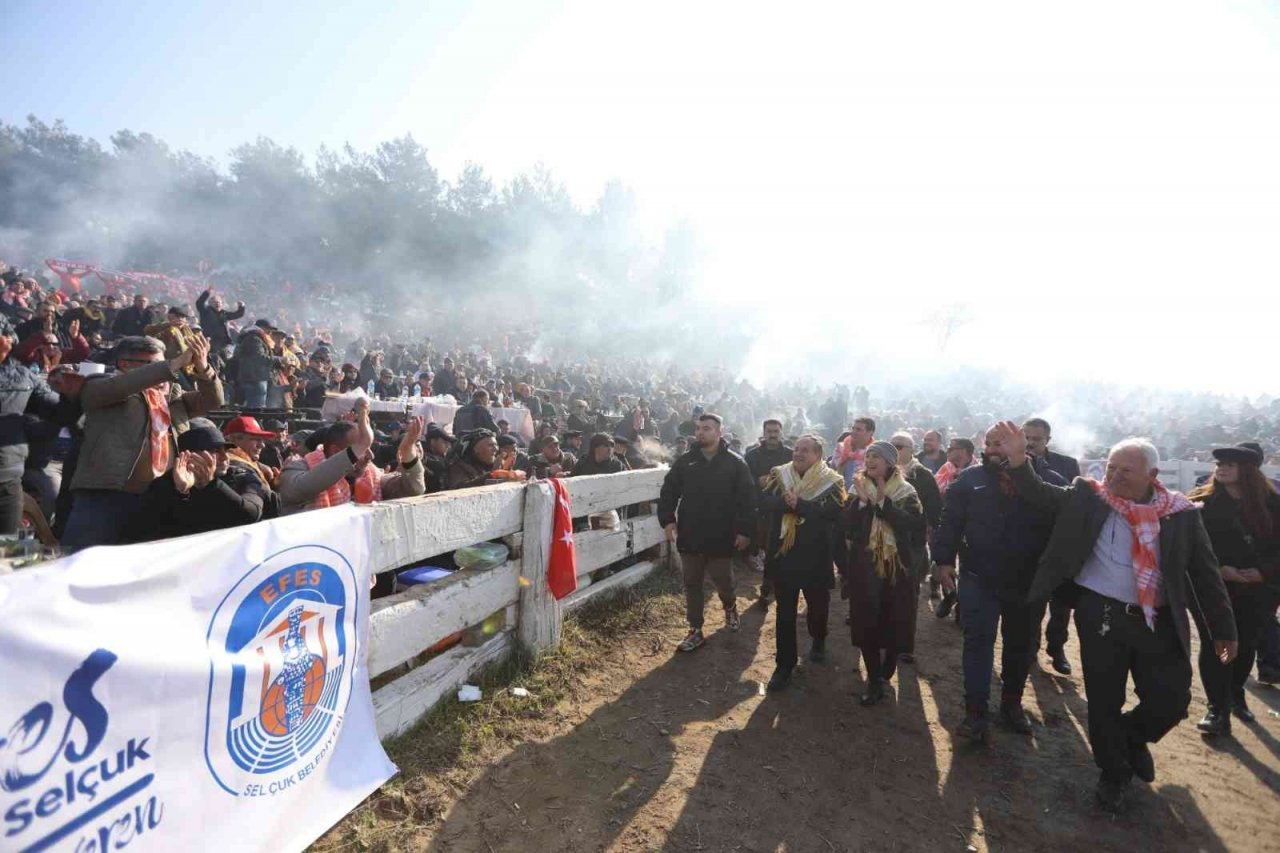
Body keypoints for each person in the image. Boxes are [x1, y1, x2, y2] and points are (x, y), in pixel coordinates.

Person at [992, 422, 1237, 812]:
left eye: (1126, 470)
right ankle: (1114, 772)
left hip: (1158, 620)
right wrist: (1020, 459)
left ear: (1152, 475)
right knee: (1104, 699)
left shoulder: (1181, 514)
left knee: (1172, 700)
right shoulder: (1089, 496)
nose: (1114, 476)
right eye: (1111, 467)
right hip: (1101, 615)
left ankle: (1130, 737)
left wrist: (1224, 629)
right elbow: (1040, 493)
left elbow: (1206, 574)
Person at [930, 423, 1066, 741]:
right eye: (988, 443)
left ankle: (1011, 705)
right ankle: (975, 713)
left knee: (1020, 646)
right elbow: (950, 521)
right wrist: (944, 560)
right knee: (977, 643)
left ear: (1019, 445)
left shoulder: (1049, 482)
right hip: (978, 578)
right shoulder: (969, 479)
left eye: (999, 444)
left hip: (1027, 584)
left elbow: (1062, 530)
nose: (991, 450)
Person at [61, 333, 221, 548]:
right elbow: (122, 386)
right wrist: (174, 363)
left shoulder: (174, 397)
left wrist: (203, 367)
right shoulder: (100, 386)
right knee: (84, 560)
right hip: (106, 496)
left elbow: (213, 400)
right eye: (154, 365)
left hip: (159, 496)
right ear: (124, 364)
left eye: (164, 363)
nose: (165, 372)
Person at [1186, 442, 1280, 737]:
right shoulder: (1200, 502)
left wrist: (1263, 573)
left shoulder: (1273, 504)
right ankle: (1217, 709)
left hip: (1259, 591)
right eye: (1219, 463)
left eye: (1230, 463)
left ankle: (1235, 693)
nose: (1222, 468)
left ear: (1248, 470)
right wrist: (1219, 569)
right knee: (1215, 643)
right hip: (1213, 587)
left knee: (1246, 644)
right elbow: (1187, 546)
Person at [658, 413, 756, 652]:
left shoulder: (735, 463)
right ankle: (695, 630)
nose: (700, 433)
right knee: (692, 583)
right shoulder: (685, 461)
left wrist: (744, 531)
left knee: (724, 582)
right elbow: (669, 491)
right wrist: (668, 520)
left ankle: (730, 606)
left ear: (719, 432)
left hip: (721, 534)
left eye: (707, 428)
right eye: (699, 428)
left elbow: (747, 500)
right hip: (690, 532)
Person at [759, 434, 845, 691]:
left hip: (816, 556)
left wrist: (801, 506)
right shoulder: (780, 475)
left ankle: (818, 639)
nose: (798, 453)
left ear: (818, 455)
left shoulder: (832, 481)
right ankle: (784, 665)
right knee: (784, 612)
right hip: (784, 555)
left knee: (817, 606)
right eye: (796, 448)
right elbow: (764, 502)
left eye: (805, 450)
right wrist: (784, 504)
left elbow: (835, 513)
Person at [843, 440, 926, 705]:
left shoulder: (906, 492)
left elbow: (914, 526)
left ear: (890, 463)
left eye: (876, 456)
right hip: (865, 566)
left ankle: (887, 666)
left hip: (897, 567)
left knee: (894, 618)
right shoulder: (857, 488)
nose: (869, 460)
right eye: (868, 456)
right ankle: (874, 678)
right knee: (866, 618)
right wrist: (862, 503)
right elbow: (847, 527)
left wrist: (883, 503)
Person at [126, 419, 272, 541]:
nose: (225, 457)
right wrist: (181, 492)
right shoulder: (167, 483)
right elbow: (147, 529)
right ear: (189, 457)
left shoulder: (241, 476)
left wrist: (212, 485)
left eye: (225, 450)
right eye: (215, 451)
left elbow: (251, 514)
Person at [0, 316, 81, 533]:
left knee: (6, 544)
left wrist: (70, 393)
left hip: (7, 478)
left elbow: (60, 413)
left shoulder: (23, 377)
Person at [278, 407, 425, 513]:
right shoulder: (298, 469)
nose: (371, 456)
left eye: (368, 447)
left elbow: (415, 489)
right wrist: (358, 447)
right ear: (336, 451)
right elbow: (305, 487)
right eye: (362, 449)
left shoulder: (371, 475)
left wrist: (408, 453)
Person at [1024, 417, 1084, 676]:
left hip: (1059, 543)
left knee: (1061, 604)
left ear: (1048, 440)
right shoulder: (1014, 462)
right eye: (1026, 437)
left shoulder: (1066, 465)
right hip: (1030, 544)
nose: (1030, 443)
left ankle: (1056, 648)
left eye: (1036, 439)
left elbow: (1075, 503)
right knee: (1033, 603)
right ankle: (1030, 650)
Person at [891, 432, 941, 662]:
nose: (895, 450)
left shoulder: (922, 475)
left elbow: (934, 511)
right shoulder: (883, 471)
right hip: (884, 541)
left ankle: (904, 645)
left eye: (900, 446)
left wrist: (926, 531)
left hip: (911, 544)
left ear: (911, 450)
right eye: (892, 445)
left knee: (907, 593)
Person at [745, 419, 794, 607]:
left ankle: (776, 588)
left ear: (781, 432)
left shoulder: (791, 454)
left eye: (776, 431)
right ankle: (766, 589)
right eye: (769, 431)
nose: (773, 435)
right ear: (764, 432)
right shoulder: (752, 456)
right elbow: (747, 482)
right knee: (767, 548)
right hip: (761, 509)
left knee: (783, 550)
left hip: (787, 509)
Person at [223, 415, 280, 488]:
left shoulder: (248, 462)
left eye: (262, 440)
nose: (262, 445)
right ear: (233, 439)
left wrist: (273, 483)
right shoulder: (234, 467)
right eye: (256, 439)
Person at [233, 320, 278, 408]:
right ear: (262, 328)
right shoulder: (254, 339)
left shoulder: (252, 338)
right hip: (255, 379)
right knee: (256, 408)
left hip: (254, 379)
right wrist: (278, 360)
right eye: (268, 329)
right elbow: (259, 358)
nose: (270, 332)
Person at [832, 416, 874, 487]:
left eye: (858, 429)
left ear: (870, 433)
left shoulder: (874, 453)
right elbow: (832, 470)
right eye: (853, 428)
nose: (853, 432)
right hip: (840, 489)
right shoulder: (841, 448)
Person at [422, 424, 454, 493]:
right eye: (444, 442)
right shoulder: (425, 458)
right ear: (433, 441)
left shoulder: (446, 457)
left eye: (448, 443)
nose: (448, 446)